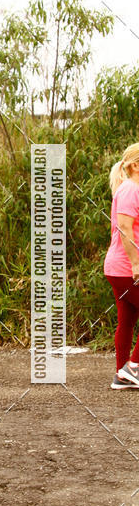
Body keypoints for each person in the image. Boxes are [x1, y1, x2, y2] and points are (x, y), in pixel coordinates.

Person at [104, 143, 139, 389]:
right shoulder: (130, 190)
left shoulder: (129, 189)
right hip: (127, 268)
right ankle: (132, 368)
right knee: (126, 320)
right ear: (135, 166)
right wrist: (136, 264)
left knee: (126, 319)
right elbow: (125, 229)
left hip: (119, 268)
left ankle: (122, 375)